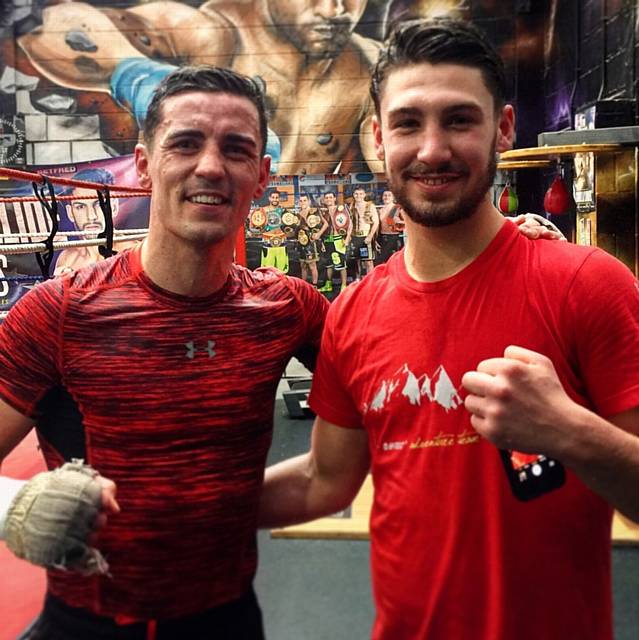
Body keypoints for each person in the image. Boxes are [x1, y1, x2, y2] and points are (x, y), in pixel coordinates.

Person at [258, 18, 639, 640]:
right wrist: (173, 508)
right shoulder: (353, 312)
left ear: (503, 130)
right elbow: (323, 480)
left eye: (459, 120)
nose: (432, 149)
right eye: (408, 123)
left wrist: (569, 431)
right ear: (379, 138)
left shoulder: (586, 283)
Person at [0, 65, 329, 640]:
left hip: (228, 621)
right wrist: (14, 506)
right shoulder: (59, 312)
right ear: (147, 164)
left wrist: (503, 247)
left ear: (262, 175)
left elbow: (402, 366)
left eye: (236, 149)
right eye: (185, 143)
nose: (210, 166)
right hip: (88, 624)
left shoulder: (289, 309)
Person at [17, 0, 382, 174]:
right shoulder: (213, 32)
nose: (336, 10)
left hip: (290, 239)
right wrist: (140, 77)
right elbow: (55, 25)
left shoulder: (369, 66)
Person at [53, 168, 139, 276]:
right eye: (80, 207)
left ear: (114, 207)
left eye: (98, 204)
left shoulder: (132, 252)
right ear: (70, 213)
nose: (91, 216)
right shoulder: (67, 259)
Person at [295, 193, 324, 287]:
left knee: (312, 265)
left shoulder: (314, 211)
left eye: (304, 200)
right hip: (301, 243)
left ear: (309, 201)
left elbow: (326, 224)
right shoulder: (297, 215)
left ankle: (314, 286)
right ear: (298, 202)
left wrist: (318, 234)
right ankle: (303, 286)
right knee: (303, 265)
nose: (302, 202)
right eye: (301, 201)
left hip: (311, 243)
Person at [349, 186, 379, 277]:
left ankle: (371, 282)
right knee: (356, 260)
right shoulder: (351, 206)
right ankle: (358, 281)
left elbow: (376, 222)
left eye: (361, 194)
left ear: (364, 195)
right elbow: (349, 223)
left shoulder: (370, 206)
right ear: (353, 195)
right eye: (356, 194)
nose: (358, 196)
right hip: (354, 237)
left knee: (368, 261)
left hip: (366, 237)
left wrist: (370, 236)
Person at [375, 189, 404, 263]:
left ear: (393, 197)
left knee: (394, 261)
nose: (386, 197)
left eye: (389, 195)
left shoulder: (397, 208)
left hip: (394, 237)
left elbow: (408, 221)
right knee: (383, 261)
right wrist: (375, 239)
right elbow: (377, 226)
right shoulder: (380, 210)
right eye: (385, 195)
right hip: (382, 237)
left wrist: (399, 223)